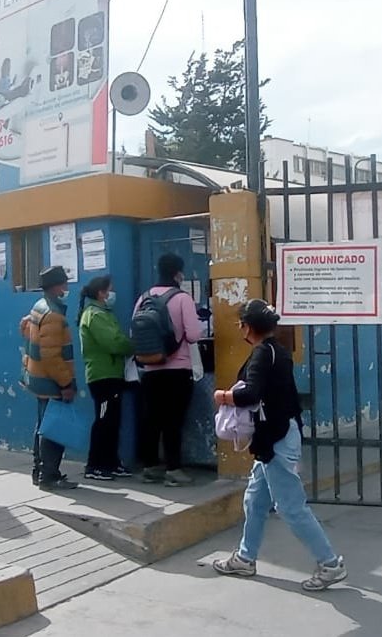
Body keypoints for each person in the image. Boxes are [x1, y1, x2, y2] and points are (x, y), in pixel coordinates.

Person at [212, 299, 347, 592]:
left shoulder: (263, 354)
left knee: (290, 507)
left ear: (248, 327)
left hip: (276, 439)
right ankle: (246, 558)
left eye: (241, 323)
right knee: (255, 500)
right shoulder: (278, 351)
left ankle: (330, 563)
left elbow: (251, 394)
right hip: (276, 435)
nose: (240, 328)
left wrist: (222, 396)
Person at [134, 253, 203, 487]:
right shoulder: (182, 298)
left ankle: (150, 467)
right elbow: (193, 335)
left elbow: (134, 330)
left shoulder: (143, 298)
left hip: (150, 369)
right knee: (173, 421)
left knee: (152, 419)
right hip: (177, 370)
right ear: (178, 273)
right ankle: (173, 469)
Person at [21, 266, 78, 491]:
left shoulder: (39, 307)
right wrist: (65, 383)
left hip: (37, 379)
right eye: (64, 284)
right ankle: (50, 475)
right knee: (54, 429)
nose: (66, 288)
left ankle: (40, 471)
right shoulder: (53, 315)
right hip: (51, 380)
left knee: (42, 426)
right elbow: (52, 356)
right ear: (56, 286)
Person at [78, 275, 134, 481]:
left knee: (112, 421)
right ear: (101, 293)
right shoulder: (94, 315)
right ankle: (95, 465)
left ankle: (111, 462)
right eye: (110, 290)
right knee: (103, 421)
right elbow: (114, 342)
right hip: (102, 376)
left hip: (112, 374)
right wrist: (132, 345)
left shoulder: (102, 313)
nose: (112, 294)